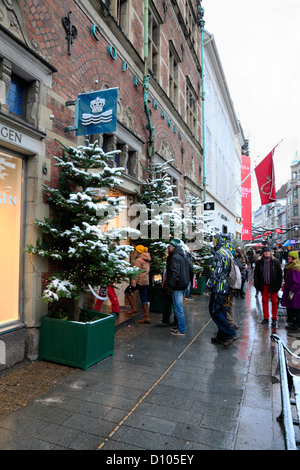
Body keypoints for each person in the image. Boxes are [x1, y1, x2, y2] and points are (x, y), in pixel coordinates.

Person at [203, 233, 239, 347]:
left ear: (219, 240)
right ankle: (221, 336)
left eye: (214, 239)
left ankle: (230, 334)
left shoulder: (219, 253)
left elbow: (216, 273)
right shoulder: (227, 251)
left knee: (214, 311)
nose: (213, 241)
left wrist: (207, 288)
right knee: (222, 310)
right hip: (227, 287)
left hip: (220, 288)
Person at [165, 239, 193, 336]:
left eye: (169, 246)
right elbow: (191, 269)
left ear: (172, 247)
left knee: (178, 308)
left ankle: (182, 329)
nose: (168, 248)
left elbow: (175, 273)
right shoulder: (183, 256)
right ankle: (179, 326)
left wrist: (170, 286)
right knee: (179, 307)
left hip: (177, 286)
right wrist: (189, 281)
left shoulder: (175, 257)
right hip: (184, 285)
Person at [254, 246, 282, 327]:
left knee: (274, 302)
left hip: (273, 284)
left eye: (268, 251)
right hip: (263, 284)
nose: (267, 253)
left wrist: (278, 284)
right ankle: (266, 317)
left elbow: (279, 274)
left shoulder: (275, 261)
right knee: (264, 301)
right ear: (263, 252)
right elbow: (256, 275)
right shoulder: (259, 262)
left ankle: (274, 318)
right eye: (266, 251)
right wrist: (257, 284)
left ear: (270, 252)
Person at [124, 245, 151, 324]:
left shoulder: (139, 260)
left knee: (127, 291)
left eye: (135, 250)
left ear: (138, 251)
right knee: (144, 298)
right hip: (145, 281)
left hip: (139, 281)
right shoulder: (147, 258)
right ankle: (147, 317)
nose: (134, 252)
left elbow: (136, 272)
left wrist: (133, 282)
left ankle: (133, 308)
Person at [281, 251, 300, 330]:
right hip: (293, 290)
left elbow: (296, 281)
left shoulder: (295, 268)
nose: (288, 257)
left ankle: (296, 324)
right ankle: (294, 323)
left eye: (290, 256)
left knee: (295, 308)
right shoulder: (291, 266)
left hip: (295, 292)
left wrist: (292, 291)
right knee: (293, 307)